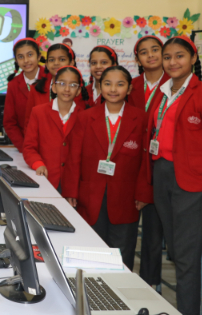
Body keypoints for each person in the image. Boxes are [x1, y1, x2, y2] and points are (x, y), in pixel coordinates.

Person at [143, 36, 202, 315]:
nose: (172, 62)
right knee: (175, 249)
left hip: (193, 183)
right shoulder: (163, 92)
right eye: (167, 57)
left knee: (185, 255)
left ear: (194, 58)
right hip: (162, 175)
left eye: (179, 56)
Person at [62, 66, 151, 270]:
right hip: (90, 195)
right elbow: (74, 157)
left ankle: (120, 289)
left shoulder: (141, 118)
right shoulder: (85, 117)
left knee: (122, 252)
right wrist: (70, 191)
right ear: (100, 87)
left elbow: (146, 159)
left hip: (126, 197)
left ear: (129, 89)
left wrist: (144, 192)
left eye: (120, 84)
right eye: (108, 84)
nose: (113, 89)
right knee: (92, 250)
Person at [129, 35, 170, 288]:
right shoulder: (129, 85)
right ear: (137, 59)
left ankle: (149, 285)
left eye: (155, 50)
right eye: (144, 52)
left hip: (159, 168)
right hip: (130, 165)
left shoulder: (173, 84)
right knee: (125, 230)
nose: (151, 55)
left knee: (153, 235)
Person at [22, 66, 87, 192]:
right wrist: (38, 164)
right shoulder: (38, 112)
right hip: (45, 179)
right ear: (54, 87)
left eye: (73, 85)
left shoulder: (85, 116)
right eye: (62, 83)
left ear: (79, 90)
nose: (67, 89)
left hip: (73, 184)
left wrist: (73, 191)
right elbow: (29, 147)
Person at [3, 38, 43, 152]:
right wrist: (24, 147)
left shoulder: (52, 79)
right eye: (21, 57)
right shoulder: (13, 85)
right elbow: (9, 122)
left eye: (30, 55)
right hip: (25, 148)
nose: (26, 60)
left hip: (52, 147)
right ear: (16, 60)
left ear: (39, 56)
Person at [24, 43, 82, 122]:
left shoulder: (78, 90)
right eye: (52, 60)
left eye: (62, 59)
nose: (56, 63)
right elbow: (28, 121)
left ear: (71, 63)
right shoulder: (36, 88)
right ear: (47, 64)